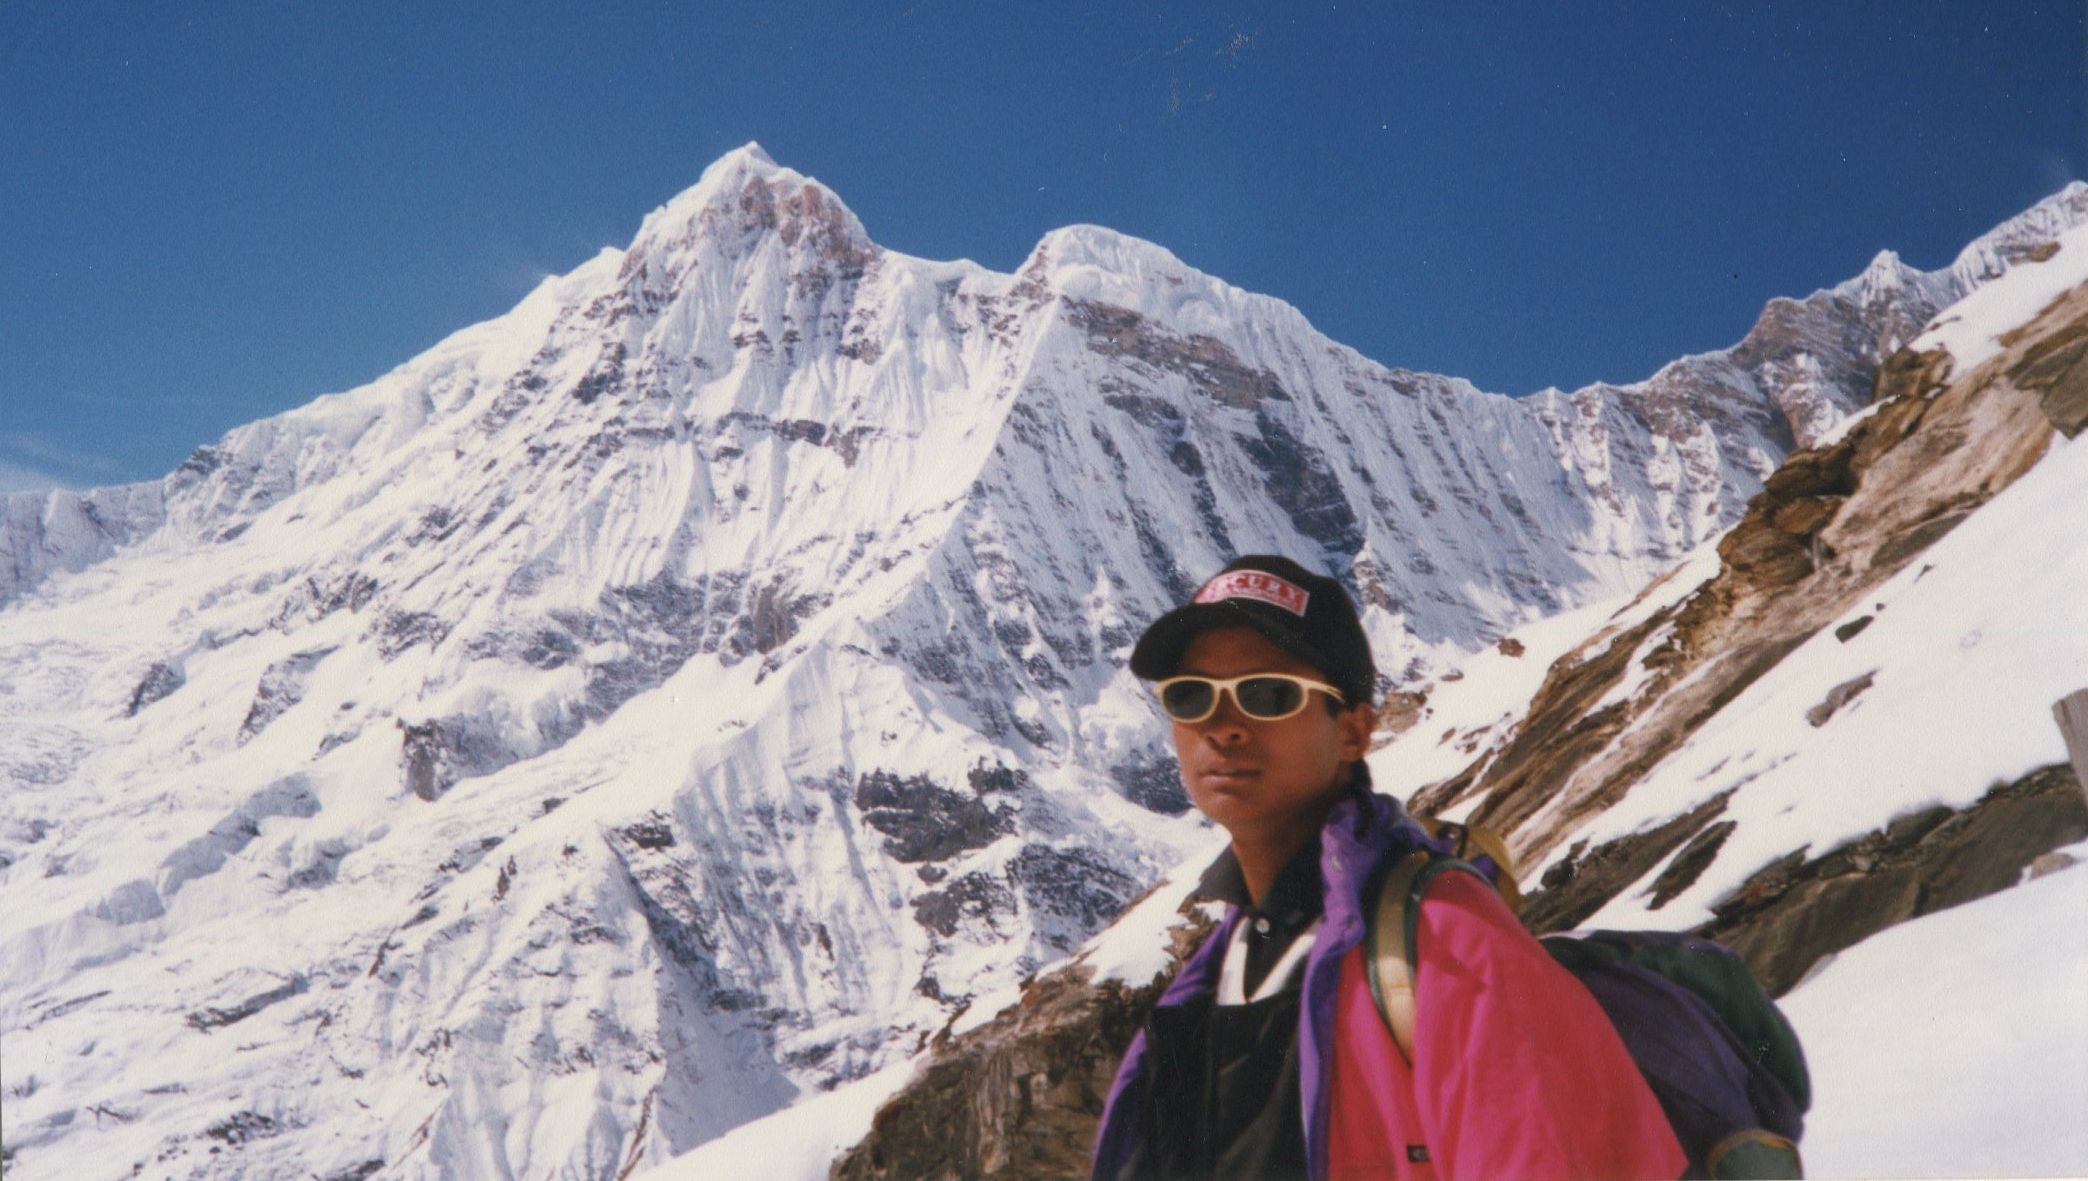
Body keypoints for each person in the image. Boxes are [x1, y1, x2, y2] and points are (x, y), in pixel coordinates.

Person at [1090, 556, 1686, 1181]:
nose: (1222, 726)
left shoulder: (1450, 943)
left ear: (1353, 731)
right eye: (1191, 697)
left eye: (1267, 694)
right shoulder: (1223, 964)